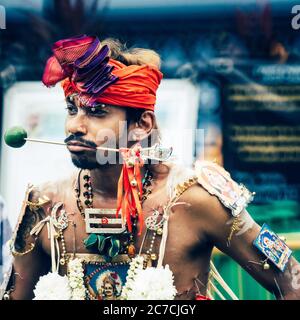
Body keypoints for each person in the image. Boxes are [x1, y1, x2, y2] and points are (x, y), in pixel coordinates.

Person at [1, 35, 300, 300]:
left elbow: (292, 281)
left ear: (142, 125)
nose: (76, 125)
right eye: (72, 108)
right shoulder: (45, 204)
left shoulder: (196, 198)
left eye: (97, 112)